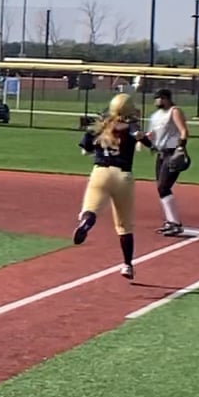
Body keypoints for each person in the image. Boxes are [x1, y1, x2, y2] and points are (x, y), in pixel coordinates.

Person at [73, 93, 144, 280]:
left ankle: (87, 223)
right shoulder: (131, 128)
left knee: (90, 210)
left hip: (100, 172)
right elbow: (143, 142)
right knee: (124, 226)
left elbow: (84, 150)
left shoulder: (100, 126)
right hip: (123, 175)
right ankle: (127, 265)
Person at [145, 88, 191, 236]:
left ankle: (175, 223)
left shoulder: (174, 111)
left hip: (172, 152)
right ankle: (171, 222)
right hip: (161, 154)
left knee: (163, 186)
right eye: (156, 98)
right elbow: (152, 134)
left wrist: (181, 147)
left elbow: (183, 131)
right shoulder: (155, 116)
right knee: (161, 188)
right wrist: (147, 139)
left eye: (159, 98)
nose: (157, 101)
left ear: (166, 99)